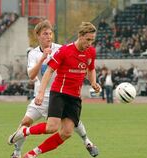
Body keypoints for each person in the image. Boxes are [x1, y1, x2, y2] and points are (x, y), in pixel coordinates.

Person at [8, 20, 99, 158]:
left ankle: (87, 142)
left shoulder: (61, 48)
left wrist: (93, 82)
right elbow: (33, 75)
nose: (49, 36)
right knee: (29, 123)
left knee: (70, 127)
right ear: (37, 35)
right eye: (45, 34)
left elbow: (86, 66)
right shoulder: (33, 54)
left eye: (50, 33)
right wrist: (42, 58)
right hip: (48, 94)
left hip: (69, 95)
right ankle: (17, 152)